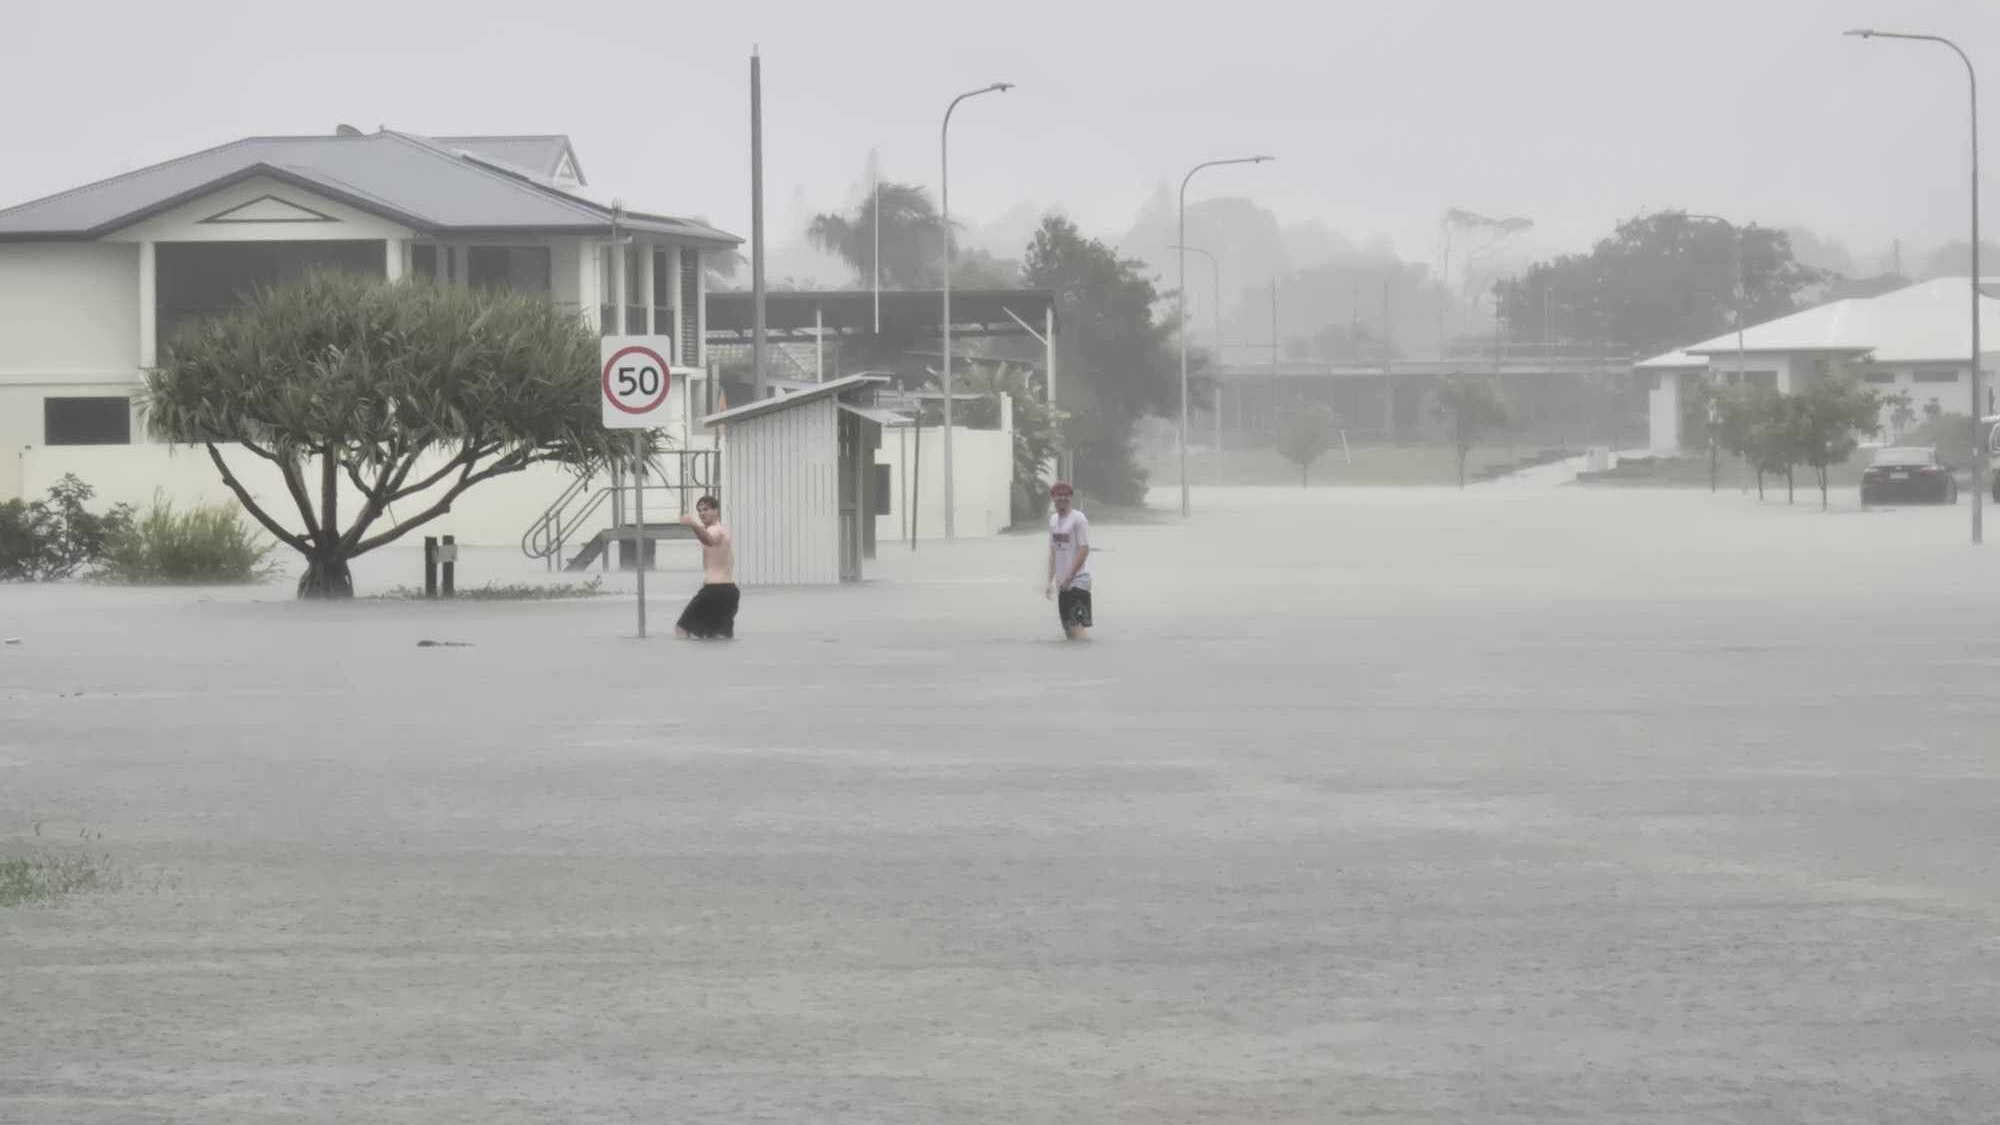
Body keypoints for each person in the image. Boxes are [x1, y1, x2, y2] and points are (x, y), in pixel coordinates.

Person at [675, 495, 738, 639]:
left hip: (715, 591)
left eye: (706, 509)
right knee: (717, 637)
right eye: (699, 510)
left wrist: (693, 524)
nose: (702, 513)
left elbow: (709, 539)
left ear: (716, 511)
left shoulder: (716, 530)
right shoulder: (724, 532)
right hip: (730, 592)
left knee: (681, 628)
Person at [1044, 481, 1092, 640]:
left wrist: (1070, 577)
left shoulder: (1078, 519)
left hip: (1079, 581)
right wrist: (1049, 581)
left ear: (1071, 497)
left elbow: (1084, 549)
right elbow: (1053, 553)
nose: (1063, 498)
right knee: (1068, 632)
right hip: (1062, 584)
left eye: (1066, 495)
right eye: (1059, 495)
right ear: (1053, 497)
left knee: (1076, 628)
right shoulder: (1053, 520)